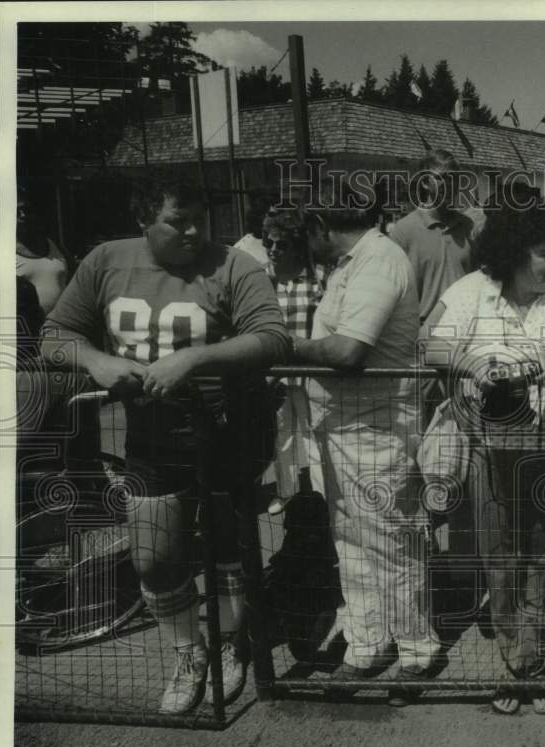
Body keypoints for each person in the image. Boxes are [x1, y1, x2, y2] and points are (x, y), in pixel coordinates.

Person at [40, 178, 291, 714]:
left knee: (228, 548)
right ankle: (188, 651)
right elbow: (54, 335)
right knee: (153, 558)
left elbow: (273, 336)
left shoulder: (234, 265)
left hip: (230, 429)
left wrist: (196, 359)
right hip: (151, 433)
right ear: (144, 221)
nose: (195, 231)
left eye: (202, 217)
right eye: (179, 221)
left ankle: (227, 642)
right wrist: (96, 361)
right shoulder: (107, 259)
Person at [424, 190, 545, 715]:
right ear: (513, 252)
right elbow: (428, 342)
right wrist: (470, 362)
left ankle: (543, 666)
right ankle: (514, 663)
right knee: (501, 563)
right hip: (493, 452)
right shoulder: (474, 290)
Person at [295, 177, 442, 706]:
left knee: (390, 543)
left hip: (379, 430)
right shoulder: (348, 265)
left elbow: (350, 350)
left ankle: (416, 651)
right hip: (341, 429)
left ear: (319, 225)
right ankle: (366, 643)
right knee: (351, 544)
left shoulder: (378, 260)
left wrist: (284, 347)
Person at [260, 209, 327, 514]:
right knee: (282, 434)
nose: (273, 250)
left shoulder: (317, 278)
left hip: (310, 371)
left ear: (296, 246)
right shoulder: (261, 279)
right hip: (275, 373)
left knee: (314, 432)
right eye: (268, 243)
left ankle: (321, 494)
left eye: (281, 244)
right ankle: (286, 493)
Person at [390, 149, 478, 325]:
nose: (449, 185)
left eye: (454, 178)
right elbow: (391, 293)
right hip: (422, 332)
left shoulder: (469, 227)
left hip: (465, 329)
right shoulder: (404, 231)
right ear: (424, 182)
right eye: (441, 178)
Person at [16, 190, 71, 315]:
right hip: (28, 330)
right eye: (16, 212)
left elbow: (76, 284)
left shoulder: (56, 247)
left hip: (62, 326)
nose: (23, 215)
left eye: (27, 210)